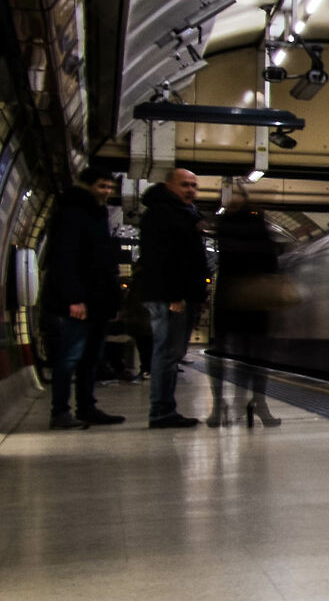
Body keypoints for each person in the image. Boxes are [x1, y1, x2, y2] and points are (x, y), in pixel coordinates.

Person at [40, 166, 125, 429]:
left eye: (110, 187)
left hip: (98, 300)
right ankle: (60, 412)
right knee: (70, 357)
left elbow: (104, 262)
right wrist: (73, 299)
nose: (107, 191)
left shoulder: (98, 214)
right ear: (86, 186)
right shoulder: (71, 213)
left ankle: (87, 407)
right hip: (79, 301)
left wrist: (112, 302)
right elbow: (63, 259)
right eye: (102, 186)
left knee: (91, 357)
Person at [130, 168, 209, 429]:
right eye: (185, 184)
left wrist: (197, 294)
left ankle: (165, 409)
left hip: (180, 295)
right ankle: (162, 411)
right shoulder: (162, 214)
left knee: (171, 354)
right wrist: (175, 294)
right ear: (169, 186)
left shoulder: (184, 213)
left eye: (194, 185)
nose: (190, 190)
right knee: (166, 354)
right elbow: (161, 258)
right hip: (171, 297)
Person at [207, 182, 282, 428]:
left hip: (237, 296)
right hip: (243, 298)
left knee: (247, 355)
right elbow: (268, 260)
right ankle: (236, 404)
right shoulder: (250, 224)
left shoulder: (229, 224)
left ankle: (241, 405)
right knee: (245, 355)